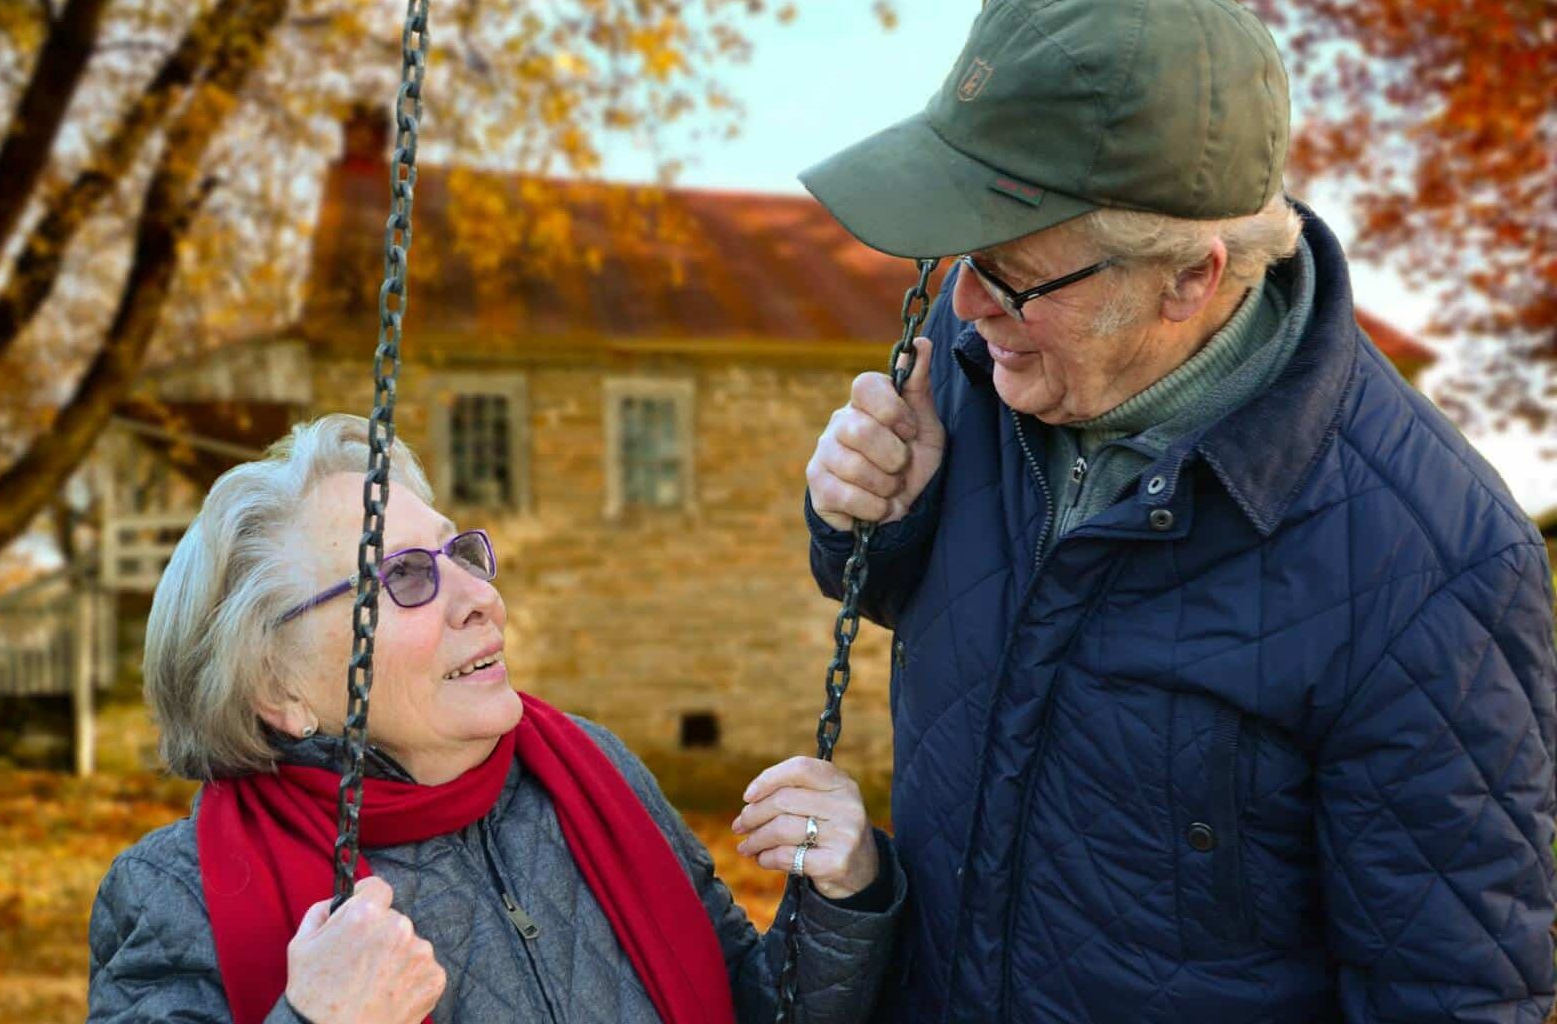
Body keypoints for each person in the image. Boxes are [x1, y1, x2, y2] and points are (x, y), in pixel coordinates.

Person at [798, 0, 1557, 1021]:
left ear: (1190, 279)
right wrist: (868, 517)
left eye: (1010, 275)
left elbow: (1452, 994)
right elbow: (919, 607)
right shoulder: (991, 353)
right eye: (961, 257)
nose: (967, 304)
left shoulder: (1433, 567)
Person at [89, 413, 904, 1024]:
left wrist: (839, 896)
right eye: (405, 576)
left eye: (462, 555)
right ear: (279, 689)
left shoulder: (591, 771)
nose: (481, 598)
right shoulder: (175, 894)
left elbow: (753, 1008)